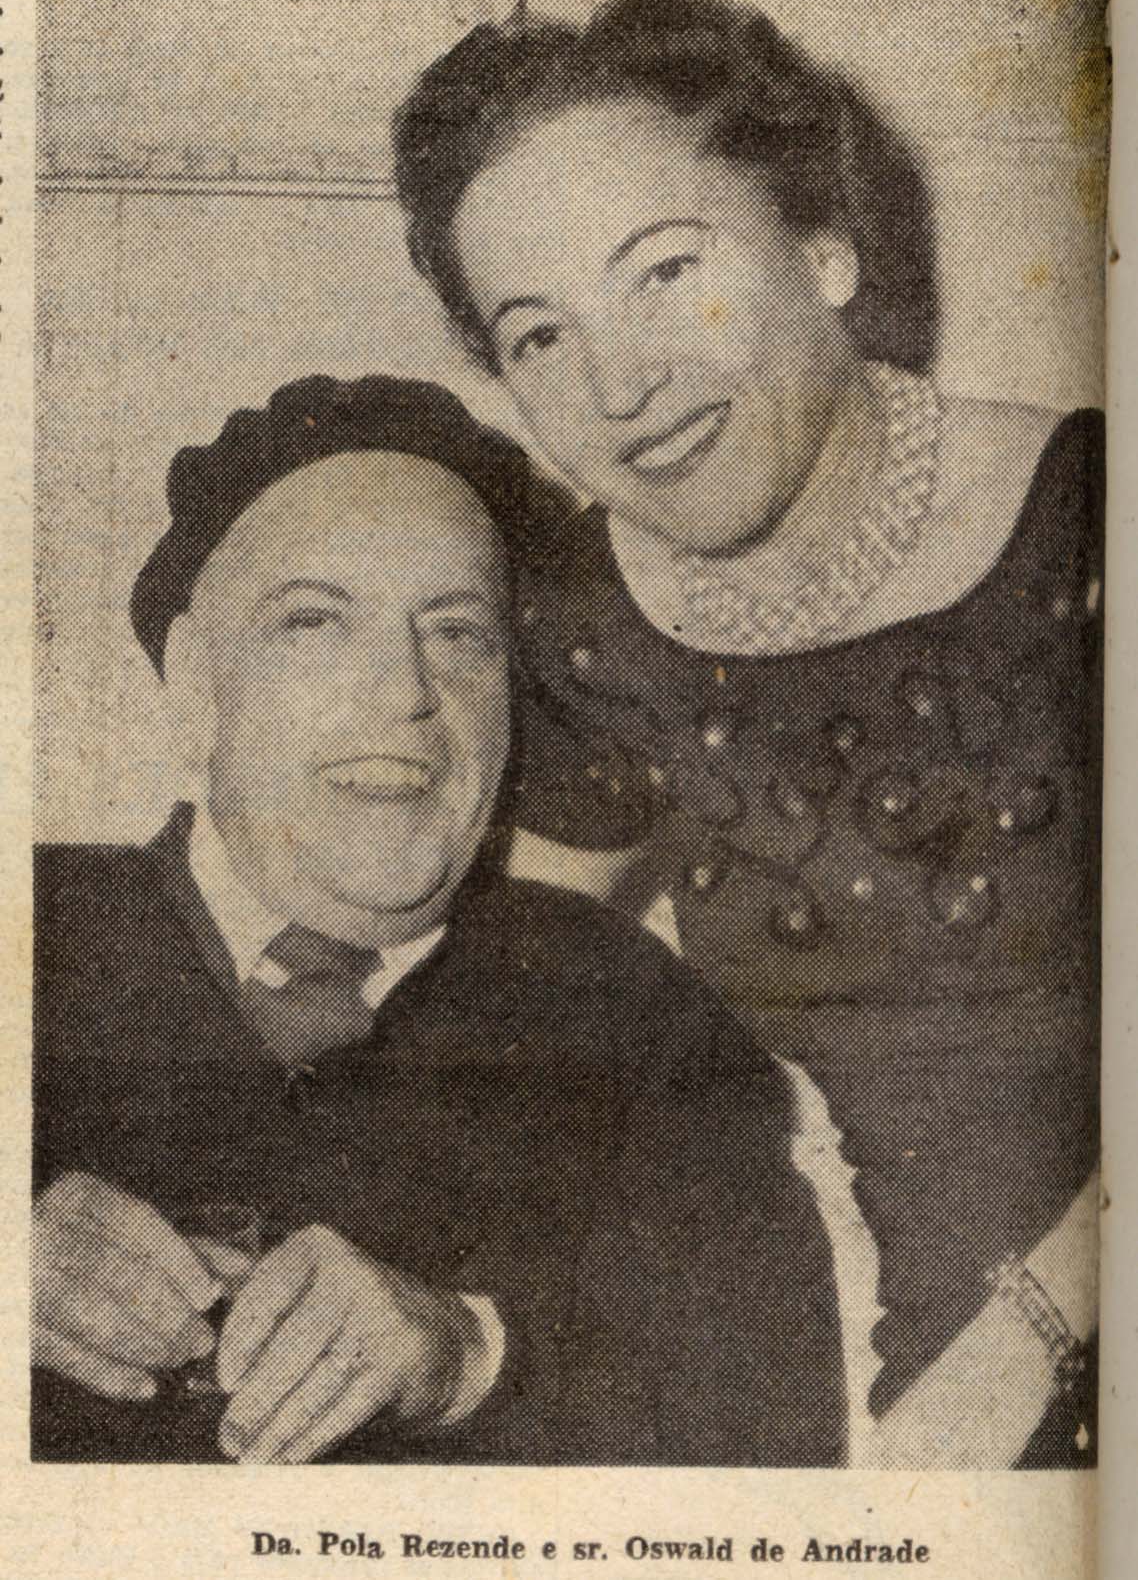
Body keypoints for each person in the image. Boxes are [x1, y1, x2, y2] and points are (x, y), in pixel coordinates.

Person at [391, 0, 1103, 1463]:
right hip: (929, 1408)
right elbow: (498, 1027)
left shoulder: (1088, 524)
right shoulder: (593, 630)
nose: (621, 384)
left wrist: (1034, 1332)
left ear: (823, 246)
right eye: (539, 336)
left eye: (664, 271)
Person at [32, 373, 845, 1466]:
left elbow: (769, 1451)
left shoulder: (639, 1017)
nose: (406, 692)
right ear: (193, 686)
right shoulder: (32, 932)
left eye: (458, 632)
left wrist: (473, 1362)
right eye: (315, 621)